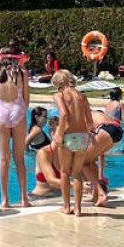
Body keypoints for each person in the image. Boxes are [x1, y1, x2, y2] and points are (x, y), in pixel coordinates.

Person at [0, 52, 30, 208]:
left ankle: (5, 200)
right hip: (18, 111)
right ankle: (23, 199)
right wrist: (22, 110)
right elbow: (27, 97)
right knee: (19, 158)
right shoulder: (21, 73)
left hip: (1, 112)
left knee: (3, 158)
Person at [52, 70, 92, 216]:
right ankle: (78, 209)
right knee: (77, 173)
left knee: (64, 172)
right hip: (82, 137)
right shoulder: (82, 96)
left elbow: (63, 114)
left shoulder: (60, 95)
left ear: (58, 84)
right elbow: (89, 122)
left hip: (67, 136)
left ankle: (67, 206)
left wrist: (59, 133)